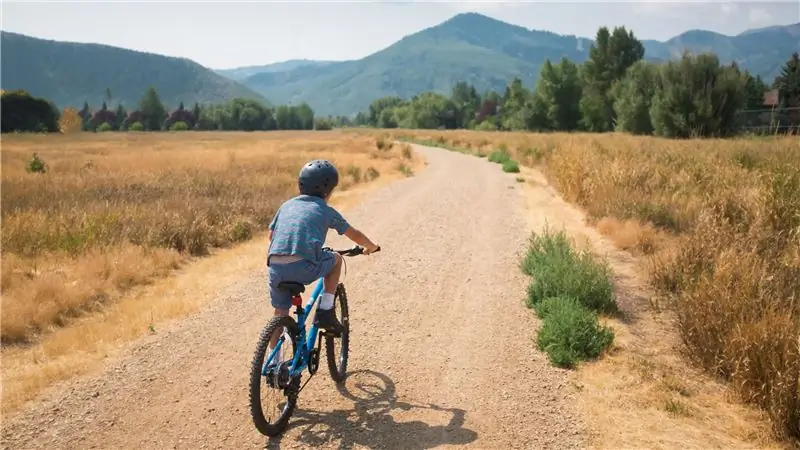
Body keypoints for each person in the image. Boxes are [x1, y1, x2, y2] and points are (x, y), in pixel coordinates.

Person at [266, 159, 379, 337]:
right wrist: (371, 246)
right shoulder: (325, 210)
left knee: (280, 313)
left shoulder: (286, 206)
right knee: (336, 260)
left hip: (275, 267)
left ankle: (274, 362)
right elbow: (354, 234)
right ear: (329, 190)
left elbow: (271, 236)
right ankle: (326, 309)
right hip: (302, 267)